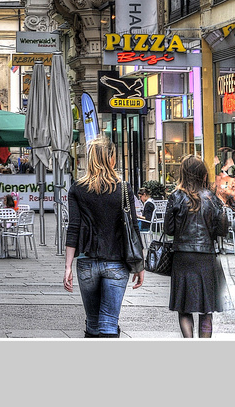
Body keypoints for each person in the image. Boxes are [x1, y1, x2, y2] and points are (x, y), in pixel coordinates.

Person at [63, 138, 145, 338]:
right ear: (110, 159)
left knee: (92, 323)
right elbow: (134, 227)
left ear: (91, 159)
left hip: (86, 262)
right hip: (117, 262)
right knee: (109, 322)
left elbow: (72, 228)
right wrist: (139, 265)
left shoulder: (77, 188)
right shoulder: (123, 188)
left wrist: (67, 266)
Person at [163, 154, 230, 338]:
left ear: (183, 173)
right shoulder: (212, 198)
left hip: (182, 257)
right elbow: (222, 231)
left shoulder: (176, 196)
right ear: (202, 173)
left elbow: (168, 229)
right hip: (206, 257)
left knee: (184, 307)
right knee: (206, 309)